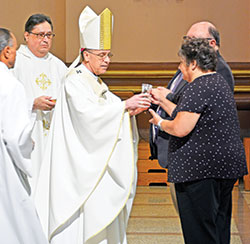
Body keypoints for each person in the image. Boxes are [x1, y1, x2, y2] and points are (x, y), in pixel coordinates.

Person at [34, 6, 151, 244]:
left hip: (95, 166)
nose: (107, 60)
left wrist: (128, 112)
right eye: (101, 55)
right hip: (79, 169)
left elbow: (108, 111)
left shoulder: (95, 82)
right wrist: (123, 107)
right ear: (86, 54)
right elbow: (88, 117)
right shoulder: (74, 81)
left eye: (109, 55)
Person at [149, 38, 248, 244]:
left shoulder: (198, 86)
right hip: (223, 169)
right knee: (218, 227)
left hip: (200, 173)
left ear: (193, 63)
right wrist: (162, 102)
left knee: (200, 232)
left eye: (181, 62)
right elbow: (185, 113)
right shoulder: (218, 81)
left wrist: (159, 123)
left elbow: (180, 127)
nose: (179, 67)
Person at [149, 21, 235, 211]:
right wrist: (165, 97)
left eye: (193, 41)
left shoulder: (211, 73)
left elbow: (187, 121)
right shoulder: (197, 67)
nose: (188, 45)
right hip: (188, 160)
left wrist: (161, 119)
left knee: (201, 224)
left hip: (200, 164)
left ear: (212, 44)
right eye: (186, 40)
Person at [0, 28, 48, 244]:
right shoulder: (10, 85)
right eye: (16, 47)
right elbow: (15, 137)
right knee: (17, 224)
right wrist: (29, 145)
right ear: (7, 52)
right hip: (5, 167)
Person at [11, 14, 68, 194]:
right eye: (40, 35)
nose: (45, 40)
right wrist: (32, 103)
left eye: (49, 35)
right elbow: (5, 98)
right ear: (27, 36)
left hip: (52, 133)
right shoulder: (15, 61)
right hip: (27, 133)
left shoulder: (58, 66)